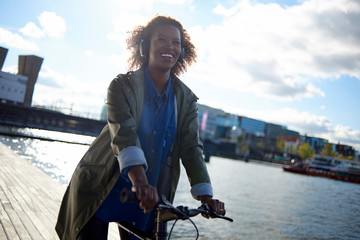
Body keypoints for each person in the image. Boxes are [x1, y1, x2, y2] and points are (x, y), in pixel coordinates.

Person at [55, 15, 226, 240]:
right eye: (162, 40)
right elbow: (124, 134)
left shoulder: (186, 101)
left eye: (176, 43)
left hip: (147, 198)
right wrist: (140, 181)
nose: (170, 47)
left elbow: (192, 148)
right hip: (103, 187)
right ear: (145, 46)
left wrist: (206, 197)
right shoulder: (121, 86)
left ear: (182, 52)